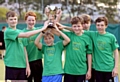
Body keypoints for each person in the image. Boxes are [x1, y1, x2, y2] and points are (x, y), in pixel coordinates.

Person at [4, 11, 47, 81]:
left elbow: (24, 49)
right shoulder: (8, 31)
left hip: (22, 65)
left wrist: (27, 66)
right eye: (11, 19)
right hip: (12, 64)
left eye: (15, 19)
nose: (13, 21)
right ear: (7, 21)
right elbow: (27, 35)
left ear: (17, 20)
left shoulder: (20, 31)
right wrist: (42, 29)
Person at [54, 16, 92, 82]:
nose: (77, 28)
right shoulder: (68, 35)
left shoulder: (87, 38)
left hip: (81, 71)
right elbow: (55, 30)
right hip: (69, 71)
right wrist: (58, 17)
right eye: (74, 26)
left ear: (82, 26)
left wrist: (89, 70)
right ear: (71, 27)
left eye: (78, 26)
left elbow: (89, 55)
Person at [84, 16, 119, 82]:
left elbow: (116, 52)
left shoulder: (111, 37)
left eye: (102, 25)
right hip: (97, 69)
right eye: (98, 25)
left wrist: (116, 68)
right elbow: (78, 30)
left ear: (106, 26)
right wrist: (64, 27)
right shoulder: (93, 34)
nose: (100, 27)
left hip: (109, 68)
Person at [22, 11, 43, 82]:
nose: (31, 22)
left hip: (38, 61)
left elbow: (50, 24)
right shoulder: (22, 33)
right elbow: (24, 50)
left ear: (35, 21)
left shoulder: (39, 30)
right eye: (29, 20)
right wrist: (27, 65)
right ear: (25, 21)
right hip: (27, 63)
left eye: (33, 20)